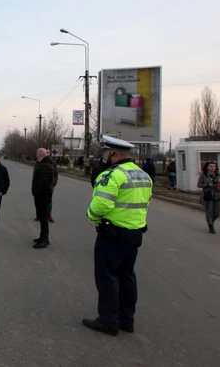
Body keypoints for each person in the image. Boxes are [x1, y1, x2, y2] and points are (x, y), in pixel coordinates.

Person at [82, 135, 152, 336]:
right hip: (135, 233)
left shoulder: (113, 175)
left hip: (113, 234)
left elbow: (101, 203)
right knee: (127, 275)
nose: (104, 155)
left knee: (107, 277)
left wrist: (91, 217)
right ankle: (126, 319)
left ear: (113, 153)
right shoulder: (142, 175)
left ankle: (108, 320)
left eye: (105, 151)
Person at [32, 148, 55, 249]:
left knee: (43, 218)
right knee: (42, 218)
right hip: (43, 196)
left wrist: (36, 192)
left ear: (39, 155)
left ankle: (44, 240)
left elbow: (43, 183)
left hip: (42, 197)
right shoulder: (44, 164)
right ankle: (42, 237)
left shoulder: (44, 166)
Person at [197, 161, 220, 234]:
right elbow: (199, 185)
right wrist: (208, 185)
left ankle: (211, 222)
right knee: (209, 212)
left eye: (214, 166)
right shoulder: (203, 175)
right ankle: (211, 226)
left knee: (217, 212)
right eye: (210, 166)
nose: (212, 168)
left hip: (218, 195)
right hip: (208, 195)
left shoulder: (219, 176)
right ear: (207, 167)